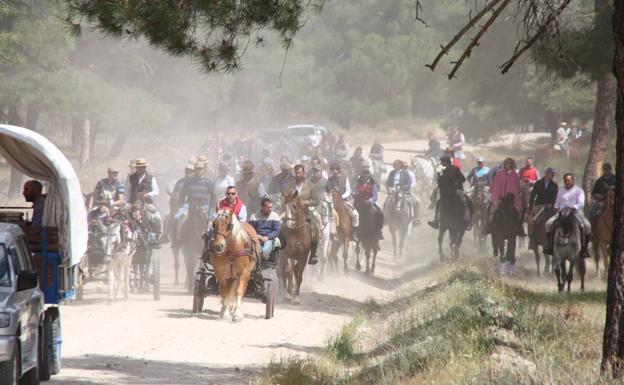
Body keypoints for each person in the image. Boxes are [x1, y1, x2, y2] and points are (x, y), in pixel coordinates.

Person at [544, 173, 591, 257]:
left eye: (569, 180)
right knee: (548, 224)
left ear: (572, 180)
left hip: (575, 212)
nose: (567, 182)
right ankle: (550, 246)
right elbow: (557, 203)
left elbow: (581, 203)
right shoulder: (561, 191)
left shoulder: (579, 190)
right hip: (562, 213)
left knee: (587, 226)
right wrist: (556, 208)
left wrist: (573, 207)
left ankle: (584, 248)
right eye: (565, 181)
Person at [293, 163, 326, 265]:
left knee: (315, 227)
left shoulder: (310, 186)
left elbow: (316, 201)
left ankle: (313, 254)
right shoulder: (290, 185)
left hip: (305, 212)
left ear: (303, 173)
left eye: (300, 172)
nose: (298, 174)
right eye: (296, 173)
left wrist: (305, 202)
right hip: (291, 212)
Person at [125, 158, 162, 244]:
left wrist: (148, 194)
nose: (139, 169)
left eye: (141, 167)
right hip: (133, 202)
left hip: (146, 202)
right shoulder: (130, 177)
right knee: (122, 215)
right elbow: (127, 191)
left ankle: (154, 237)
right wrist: (127, 202)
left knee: (157, 218)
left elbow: (156, 191)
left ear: (144, 167)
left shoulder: (151, 178)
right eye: (138, 167)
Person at [427, 155, 469, 230]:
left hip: (455, 190)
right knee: (438, 203)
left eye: (442, 161)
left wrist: (456, 183)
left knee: (465, 201)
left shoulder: (455, 168)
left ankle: (466, 220)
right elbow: (437, 177)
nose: (441, 163)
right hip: (444, 191)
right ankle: (436, 221)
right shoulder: (440, 168)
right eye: (441, 161)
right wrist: (439, 182)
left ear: (446, 162)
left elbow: (463, 179)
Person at [488, 157, 522, 234]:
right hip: (500, 199)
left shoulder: (515, 175)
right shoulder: (499, 174)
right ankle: (489, 226)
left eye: (510, 163)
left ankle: (519, 228)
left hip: (511, 201)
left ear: (512, 164)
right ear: (504, 164)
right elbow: (495, 186)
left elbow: (516, 189)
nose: (508, 165)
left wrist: (516, 201)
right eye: (507, 163)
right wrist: (496, 199)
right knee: (490, 210)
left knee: (519, 212)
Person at [353, 162, 384, 240]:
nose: (365, 174)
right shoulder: (358, 180)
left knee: (380, 212)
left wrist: (371, 200)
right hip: (359, 201)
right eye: (364, 173)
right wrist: (354, 193)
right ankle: (352, 231)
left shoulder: (373, 181)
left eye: (366, 173)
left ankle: (379, 231)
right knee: (350, 212)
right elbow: (354, 189)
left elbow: (375, 194)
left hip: (370, 201)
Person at [326, 162, 359, 234]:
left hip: (344, 201)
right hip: (332, 202)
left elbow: (348, 190)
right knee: (330, 215)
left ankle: (354, 232)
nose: (334, 171)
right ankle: (332, 232)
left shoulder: (344, 178)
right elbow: (328, 191)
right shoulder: (329, 180)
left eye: (335, 169)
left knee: (355, 214)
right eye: (332, 170)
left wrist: (342, 197)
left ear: (338, 170)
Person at [385, 160, 419, 225]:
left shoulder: (405, 173)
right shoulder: (392, 173)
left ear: (400, 166)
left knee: (413, 202)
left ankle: (414, 218)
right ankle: (385, 218)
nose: (395, 166)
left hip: (403, 191)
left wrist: (401, 188)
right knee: (386, 202)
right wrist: (389, 188)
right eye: (394, 165)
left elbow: (408, 184)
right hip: (393, 192)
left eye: (397, 165)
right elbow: (388, 183)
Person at [249, 198, 281, 263]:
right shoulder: (254, 217)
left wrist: (267, 237)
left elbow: (276, 231)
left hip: (270, 239)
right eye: (268, 208)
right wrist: (257, 236)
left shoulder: (275, 216)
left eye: (271, 207)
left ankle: (264, 264)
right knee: (254, 251)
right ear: (262, 207)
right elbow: (250, 230)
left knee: (264, 251)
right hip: (257, 238)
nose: (270, 209)